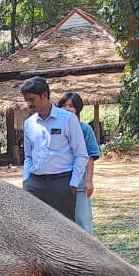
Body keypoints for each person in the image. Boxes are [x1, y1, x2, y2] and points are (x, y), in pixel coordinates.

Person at [19, 76, 88, 221]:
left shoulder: (68, 119)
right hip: (35, 184)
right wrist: (27, 180)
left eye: (32, 99)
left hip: (62, 184)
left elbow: (81, 154)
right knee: (34, 229)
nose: (29, 104)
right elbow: (28, 156)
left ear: (44, 95)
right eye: (27, 101)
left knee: (64, 230)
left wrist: (73, 183)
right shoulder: (29, 123)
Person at [57, 92, 100, 234]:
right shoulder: (56, 130)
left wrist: (89, 181)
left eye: (71, 106)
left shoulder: (85, 130)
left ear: (78, 109)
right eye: (64, 106)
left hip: (80, 183)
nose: (67, 109)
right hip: (60, 181)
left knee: (83, 221)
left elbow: (91, 156)